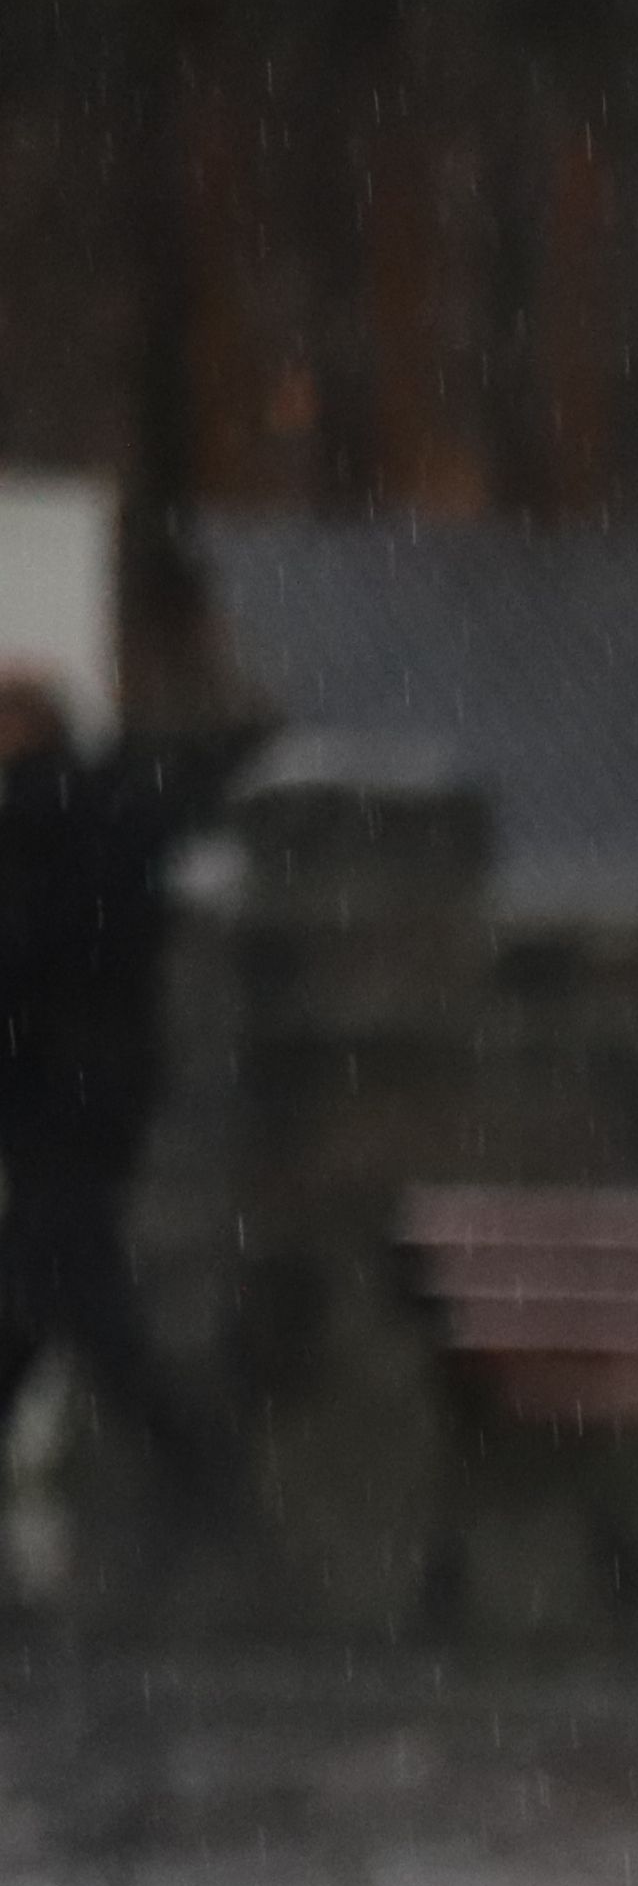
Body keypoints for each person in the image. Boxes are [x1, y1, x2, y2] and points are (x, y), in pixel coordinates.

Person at [0, 664, 254, 1551]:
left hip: (52, 1091)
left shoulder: (32, 819)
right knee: (49, 1270)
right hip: (109, 1087)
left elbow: (23, 961)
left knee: (69, 1278)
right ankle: (190, 1465)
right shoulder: (118, 813)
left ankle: (193, 1464)